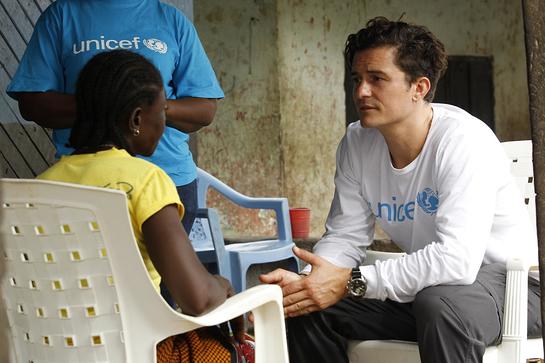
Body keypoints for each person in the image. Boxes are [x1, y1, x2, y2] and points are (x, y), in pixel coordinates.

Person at [260, 17, 541, 363]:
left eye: (377, 79)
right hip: (431, 292)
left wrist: (350, 281)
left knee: (441, 305)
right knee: (306, 309)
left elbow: (456, 262)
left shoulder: (462, 141)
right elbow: (345, 237)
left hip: (517, 289)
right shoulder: (357, 143)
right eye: (357, 79)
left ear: (418, 88)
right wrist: (312, 283)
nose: (361, 91)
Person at [37, 49, 252, 362]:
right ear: (137, 119)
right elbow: (198, 300)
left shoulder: (40, 185)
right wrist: (222, 285)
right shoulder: (146, 181)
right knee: (221, 348)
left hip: (47, 350)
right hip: (133, 350)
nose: (165, 121)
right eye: (162, 109)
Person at [6, 0, 223, 304]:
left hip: (168, 180)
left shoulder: (170, 20)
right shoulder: (63, 15)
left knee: (103, 292)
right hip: (112, 186)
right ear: (137, 119)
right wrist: (219, 286)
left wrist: (144, 106)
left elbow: (204, 107)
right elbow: (33, 102)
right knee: (151, 298)